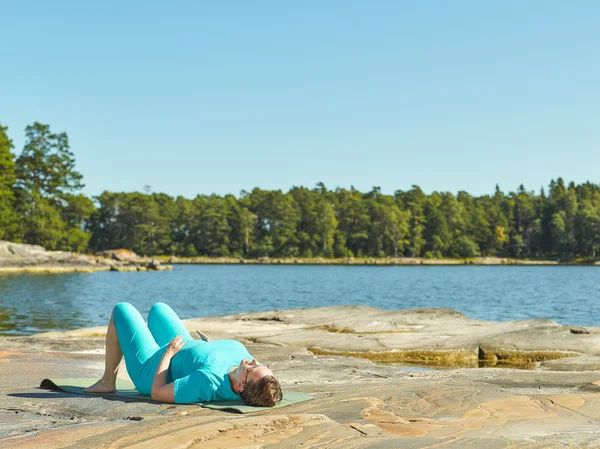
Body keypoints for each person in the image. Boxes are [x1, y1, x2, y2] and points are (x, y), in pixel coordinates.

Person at [84, 302, 283, 406]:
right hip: (184, 346)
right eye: (260, 364)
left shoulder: (207, 382)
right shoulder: (242, 369)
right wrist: (212, 346)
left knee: (122, 309)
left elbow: (157, 392)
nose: (254, 361)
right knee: (158, 309)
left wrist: (167, 355)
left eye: (253, 368)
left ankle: (108, 381)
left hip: (152, 366)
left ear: (240, 386)